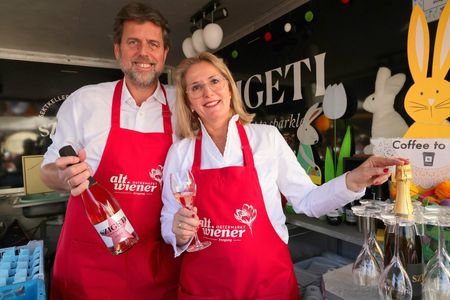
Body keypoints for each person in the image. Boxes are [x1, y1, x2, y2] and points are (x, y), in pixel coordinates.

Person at [161, 52, 408, 299]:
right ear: (189, 101)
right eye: (196, 87)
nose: (208, 92)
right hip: (205, 288)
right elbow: (169, 219)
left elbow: (307, 201)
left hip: (266, 284)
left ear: (228, 88)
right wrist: (177, 233)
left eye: (214, 81)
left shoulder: (266, 138)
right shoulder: (180, 152)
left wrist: (352, 180)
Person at [40, 3, 179, 299]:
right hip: (89, 268)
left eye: (153, 44)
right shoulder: (85, 101)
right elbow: (48, 169)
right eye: (133, 42)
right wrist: (63, 177)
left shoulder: (184, 106)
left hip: (157, 266)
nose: (144, 52)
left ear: (164, 53)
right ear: (118, 50)